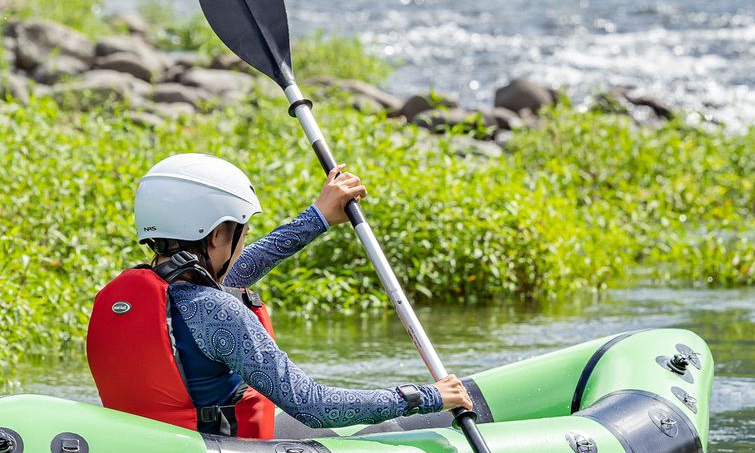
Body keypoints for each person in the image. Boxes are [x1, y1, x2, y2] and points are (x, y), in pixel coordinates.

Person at [86, 153, 472, 438]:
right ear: (219, 233)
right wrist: (426, 396)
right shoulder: (216, 312)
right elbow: (314, 407)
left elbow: (243, 267)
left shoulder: (136, 295)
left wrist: (317, 217)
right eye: (239, 230)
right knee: (381, 430)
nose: (242, 242)